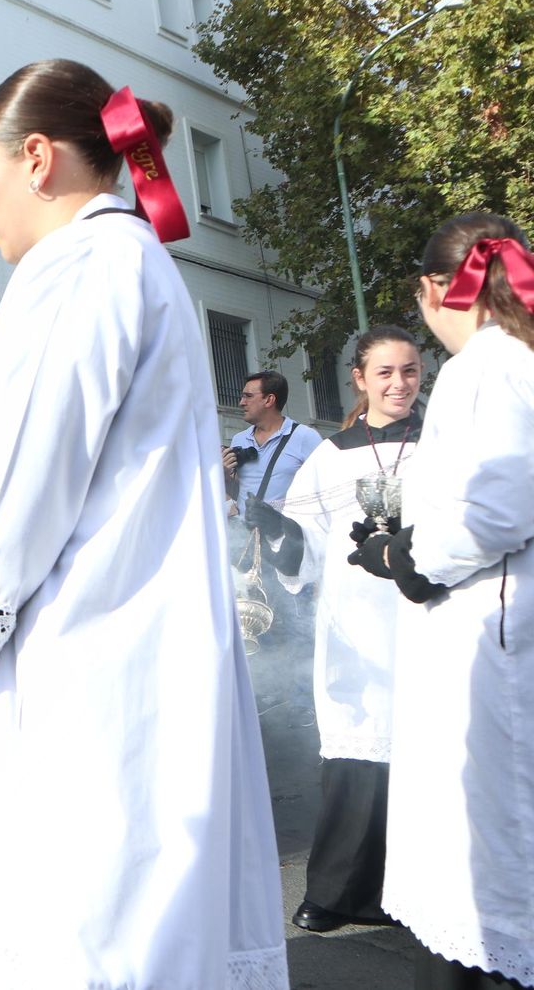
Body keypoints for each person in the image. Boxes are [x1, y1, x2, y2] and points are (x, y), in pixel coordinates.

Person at [0, 59, 286, 988]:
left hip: (77, 692)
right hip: (143, 676)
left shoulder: (72, 272)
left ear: (35, 159)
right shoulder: (140, 262)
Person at [348, 213, 534, 990]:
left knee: (488, 852)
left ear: (436, 288)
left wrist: (410, 558)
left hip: (489, 636)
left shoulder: (489, 366)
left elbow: (498, 507)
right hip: (491, 625)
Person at [249, 326, 422, 933]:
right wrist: (276, 530)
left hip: (429, 621)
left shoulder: (446, 444)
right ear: (359, 378)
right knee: (357, 747)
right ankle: (338, 892)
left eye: (409, 371)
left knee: (427, 752)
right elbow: (305, 548)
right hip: (358, 625)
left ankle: (418, 894)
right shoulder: (330, 455)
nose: (398, 384)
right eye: (385, 373)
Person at [224, 370, 323, 510]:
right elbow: (238, 488)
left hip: (286, 530)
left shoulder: (305, 437)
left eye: (248, 396)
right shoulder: (239, 439)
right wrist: (225, 474)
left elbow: (326, 485)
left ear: (269, 400)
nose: (241, 402)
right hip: (245, 530)